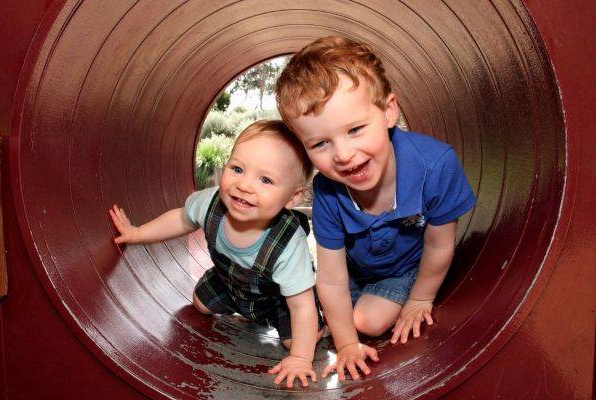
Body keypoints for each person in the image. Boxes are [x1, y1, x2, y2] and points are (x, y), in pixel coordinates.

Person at [276, 36, 477, 382]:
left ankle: (392, 296)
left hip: (405, 268)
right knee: (307, 314)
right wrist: (347, 346)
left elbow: (439, 244)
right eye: (321, 143)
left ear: (388, 111)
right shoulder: (328, 190)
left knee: (366, 321)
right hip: (357, 271)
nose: (342, 154)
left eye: (355, 130)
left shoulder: (435, 165)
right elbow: (333, 277)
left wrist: (420, 299)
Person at [109, 120, 325, 388]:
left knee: (295, 339)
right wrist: (137, 233)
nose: (244, 185)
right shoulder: (211, 202)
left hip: (278, 300)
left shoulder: (288, 244)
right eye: (237, 169)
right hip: (229, 282)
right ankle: (241, 309)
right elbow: (180, 219)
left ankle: (320, 322)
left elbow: (299, 305)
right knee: (199, 304)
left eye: (265, 179)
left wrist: (301, 358)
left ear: (292, 198)